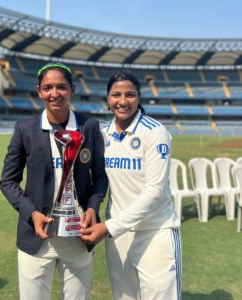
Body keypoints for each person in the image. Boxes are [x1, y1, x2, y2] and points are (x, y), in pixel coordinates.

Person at [0, 62, 108, 300]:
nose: (54, 93)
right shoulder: (25, 129)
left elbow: (100, 177)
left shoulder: (89, 126)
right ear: (39, 91)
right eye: (48, 87)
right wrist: (32, 214)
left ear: (72, 90)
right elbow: (7, 181)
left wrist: (92, 207)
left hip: (79, 234)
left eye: (61, 87)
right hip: (36, 235)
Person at [80, 71, 181, 300]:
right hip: (118, 235)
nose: (122, 101)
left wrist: (109, 227)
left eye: (130, 95)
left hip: (155, 231)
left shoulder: (155, 132)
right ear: (108, 98)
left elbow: (155, 191)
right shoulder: (103, 134)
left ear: (139, 97)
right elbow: (95, 178)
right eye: (116, 94)